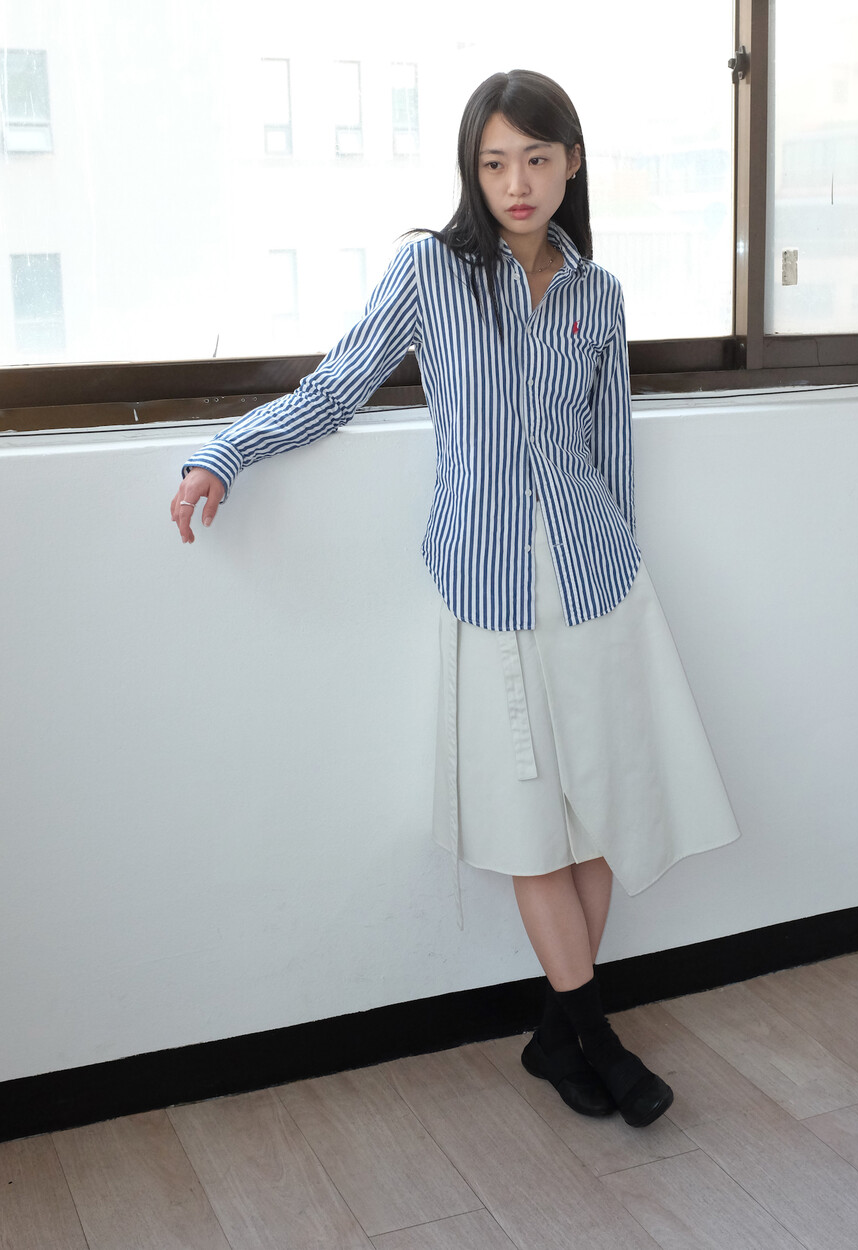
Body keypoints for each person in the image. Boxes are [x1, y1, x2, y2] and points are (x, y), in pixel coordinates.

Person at [171, 69, 740, 1129]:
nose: (516, 182)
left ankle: (556, 1034)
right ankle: (598, 1039)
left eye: (535, 158)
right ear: (471, 173)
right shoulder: (429, 272)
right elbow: (337, 385)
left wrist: (621, 557)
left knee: (599, 813)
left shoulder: (598, 293)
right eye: (493, 162)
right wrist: (226, 453)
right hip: (489, 585)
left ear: (570, 163)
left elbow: (612, 448)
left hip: (597, 581)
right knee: (531, 822)